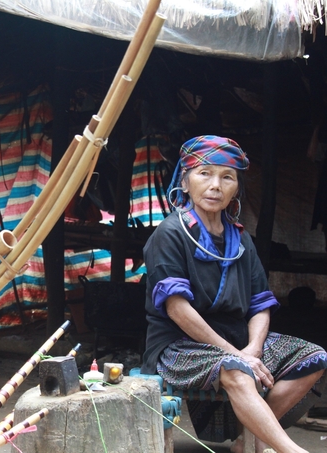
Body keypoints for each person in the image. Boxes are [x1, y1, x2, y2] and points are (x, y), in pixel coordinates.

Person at [140, 135, 327, 453]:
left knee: (313, 359)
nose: (215, 185)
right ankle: (291, 450)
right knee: (237, 370)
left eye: (227, 177)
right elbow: (177, 308)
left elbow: (260, 303)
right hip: (179, 345)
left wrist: (253, 348)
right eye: (204, 174)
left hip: (238, 342)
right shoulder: (170, 234)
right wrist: (239, 356)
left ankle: (249, 440)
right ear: (185, 183)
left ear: (236, 188)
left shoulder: (241, 240)